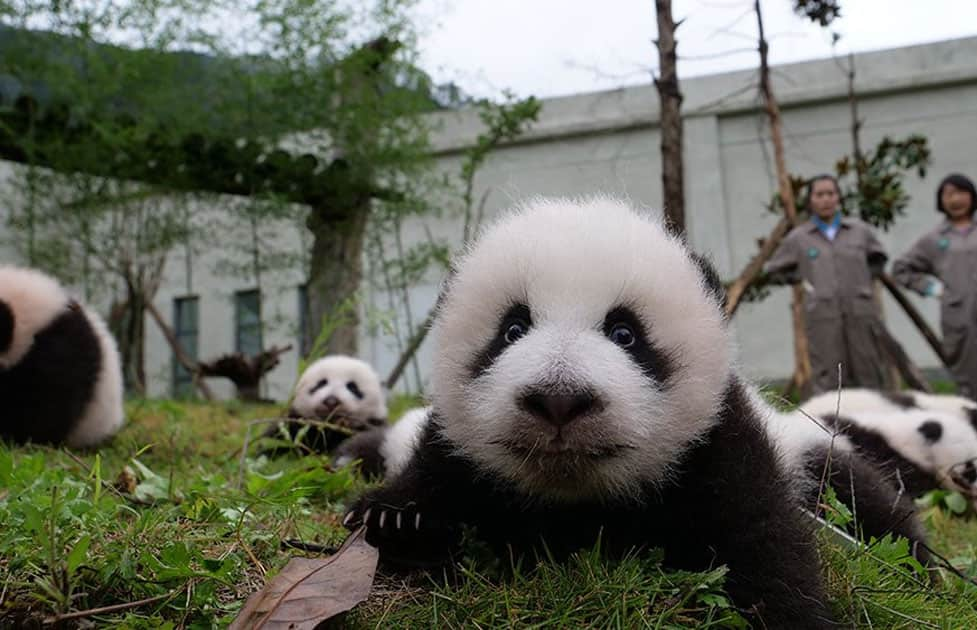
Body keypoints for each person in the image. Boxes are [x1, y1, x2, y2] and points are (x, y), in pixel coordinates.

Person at [763, 174, 890, 395]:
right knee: (829, 377)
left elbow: (878, 259)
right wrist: (799, 279)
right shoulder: (799, 238)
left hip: (861, 313)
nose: (826, 199)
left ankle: (875, 425)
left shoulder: (860, 231)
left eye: (831, 193)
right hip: (822, 316)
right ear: (810, 200)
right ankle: (832, 427)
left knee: (868, 372)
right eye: (819, 194)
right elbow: (772, 269)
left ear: (839, 197)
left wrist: (861, 283)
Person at [892, 173, 977, 398]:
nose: (956, 199)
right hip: (959, 321)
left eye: (961, 192)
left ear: (972, 196)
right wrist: (933, 289)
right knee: (968, 380)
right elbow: (901, 269)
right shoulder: (934, 239)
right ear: (941, 200)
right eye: (949, 194)